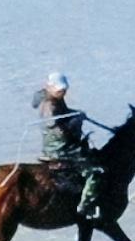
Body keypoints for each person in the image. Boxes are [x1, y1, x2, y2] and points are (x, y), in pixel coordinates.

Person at [34, 72, 101, 219]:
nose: (63, 92)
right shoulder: (50, 105)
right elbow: (57, 129)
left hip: (58, 144)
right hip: (59, 148)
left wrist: (75, 113)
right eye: (59, 90)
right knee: (94, 172)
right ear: (50, 87)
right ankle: (85, 207)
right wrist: (75, 121)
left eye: (64, 90)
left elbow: (63, 114)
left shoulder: (55, 99)